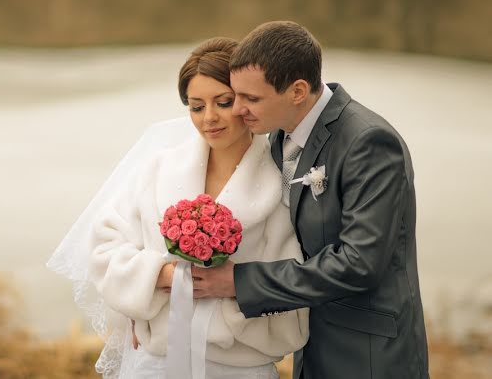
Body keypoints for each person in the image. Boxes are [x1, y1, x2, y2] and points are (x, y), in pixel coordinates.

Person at [48, 38, 308, 379]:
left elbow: (295, 278)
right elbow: (105, 248)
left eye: (223, 102)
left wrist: (230, 290)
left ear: (246, 101)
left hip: (240, 367)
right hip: (155, 363)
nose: (209, 118)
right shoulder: (158, 170)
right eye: (196, 106)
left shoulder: (283, 185)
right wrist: (163, 276)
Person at [190, 21, 429, 379]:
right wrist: (164, 312)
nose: (237, 110)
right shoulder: (276, 136)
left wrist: (240, 283)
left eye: (251, 99)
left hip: (368, 353)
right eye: (236, 96)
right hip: (310, 343)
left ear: (298, 90)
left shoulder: (369, 143)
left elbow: (359, 262)